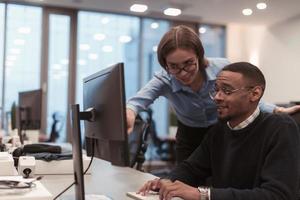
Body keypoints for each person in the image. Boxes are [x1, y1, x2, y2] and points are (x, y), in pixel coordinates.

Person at [126, 25, 300, 164]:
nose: (183, 73)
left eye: (189, 64)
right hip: (189, 134)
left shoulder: (222, 69)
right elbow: (136, 102)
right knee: (185, 180)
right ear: (165, 65)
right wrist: (130, 113)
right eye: (174, 67)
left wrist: (277, 110)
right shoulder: (164, 79)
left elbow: (245, 96)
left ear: (199, 57)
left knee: (221, 179)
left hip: (222, 129)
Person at [137, 62, 300, 200]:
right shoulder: (220, 130)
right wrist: (166, 181)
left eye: (227, 91)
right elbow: (192, 168)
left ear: (255, 94)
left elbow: (277, 195)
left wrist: (202, 194)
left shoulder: (280, 128)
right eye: (216, 89)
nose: (217, 97)